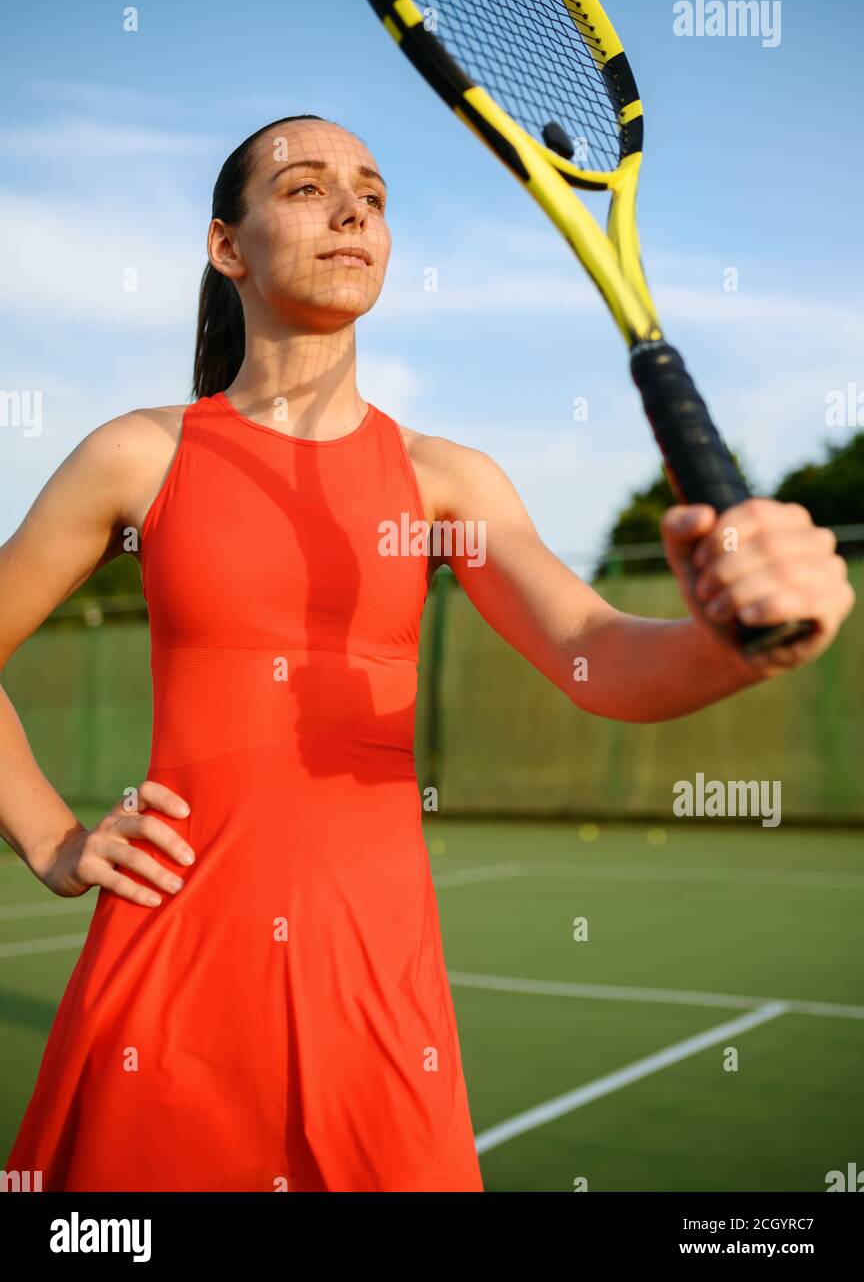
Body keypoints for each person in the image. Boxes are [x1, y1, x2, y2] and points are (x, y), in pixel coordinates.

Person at [0, 114, 854, 1193]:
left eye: (375, 193)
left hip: (377, 987)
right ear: (228, 247)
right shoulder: (141, 453)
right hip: (166, 975)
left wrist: (733, 644)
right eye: (307, 188)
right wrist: (51, 836)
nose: (353, 209)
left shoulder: (446, 478)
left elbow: (598, 653)